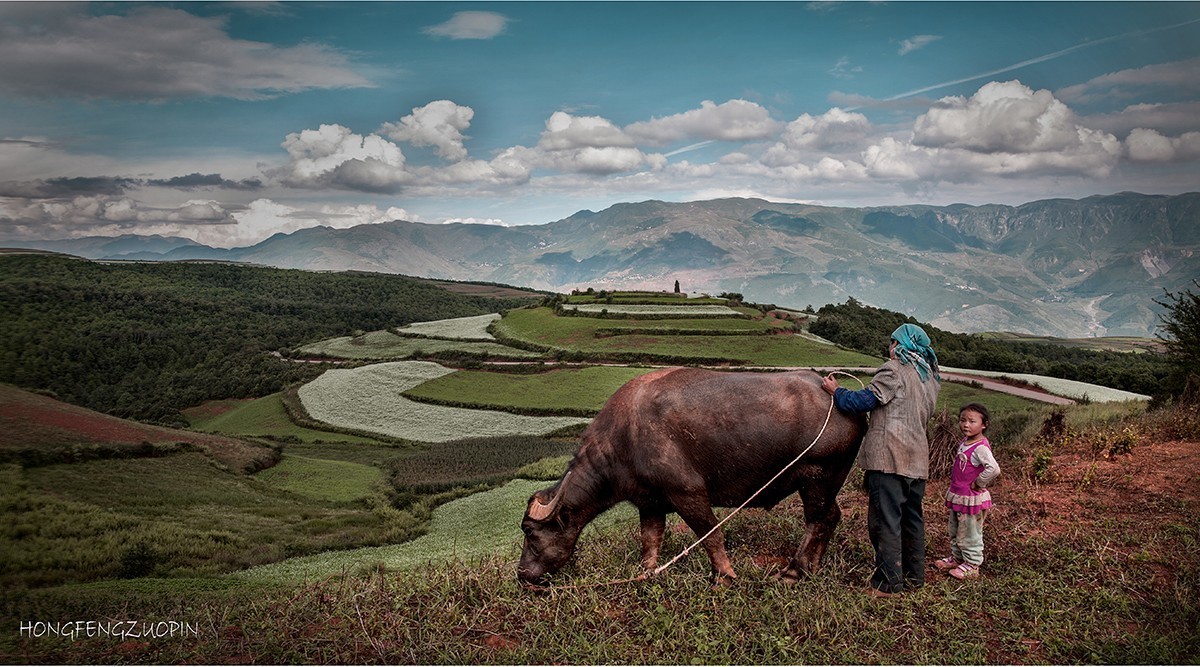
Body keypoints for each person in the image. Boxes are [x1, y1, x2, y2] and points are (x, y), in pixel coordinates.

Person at [821, 323, 940, 597]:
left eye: (893, 342)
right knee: (912, 520)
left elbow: (863, 401)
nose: (890, 347)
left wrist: (836, 391)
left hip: (890, 457)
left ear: (899, 345)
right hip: (917, 459)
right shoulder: (930, 377)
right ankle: (914, 578)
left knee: (885, 521)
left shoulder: (893, 370)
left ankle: (888, 585)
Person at [935, 402, 1000, 580]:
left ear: (984, 424)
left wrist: (979, 482)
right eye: (962, 420)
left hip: (971, 499)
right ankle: (957, 558)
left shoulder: (980, 448)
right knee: (956, 529)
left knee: (970, 532)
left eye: (972, 421)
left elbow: (994, 469)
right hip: (960, 496)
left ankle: (972, 565)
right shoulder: (965, 442)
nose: (966, 425)